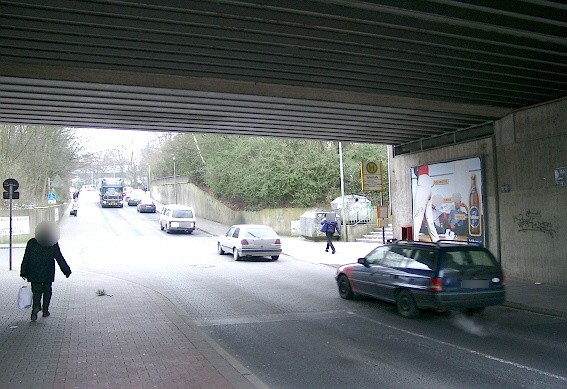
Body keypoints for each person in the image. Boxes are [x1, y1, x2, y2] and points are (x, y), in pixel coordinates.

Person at [20, 221, 72, 321]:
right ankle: (45, 310)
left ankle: (35, 307)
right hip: (47, 272)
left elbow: (26, 257)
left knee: (36, 291)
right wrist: (66, 271)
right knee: (47, 290)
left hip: (34, 272)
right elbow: (59, 257)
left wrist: (23, 271)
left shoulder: (31, 242)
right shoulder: (52, 242)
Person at [412, 165, 439, 242]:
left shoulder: (418, 161)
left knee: (417, 217)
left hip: (422, 182)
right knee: (429, 219)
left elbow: (416, 171)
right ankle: (436, 240)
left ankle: (415, 241)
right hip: (428, 183)